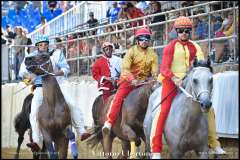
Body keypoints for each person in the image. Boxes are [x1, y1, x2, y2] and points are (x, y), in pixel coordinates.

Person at [150, 16, 226, 159]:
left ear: (190, 31)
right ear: (176, 32)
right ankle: (156, 149)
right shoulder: (170, 47)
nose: (184, 33)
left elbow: (201, 64)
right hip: (171, 82)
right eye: (180, 31)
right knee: (162, 111)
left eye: (186, 31)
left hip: (191, 82)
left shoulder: (195, 46)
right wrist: (174, 78)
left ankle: (214, 144)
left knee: (209, 109)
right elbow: (164, 67)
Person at [18, 34, 91, 152]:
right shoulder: (31, 57)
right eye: (41, 45)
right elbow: (22, 73)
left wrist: (58, 72)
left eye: (45, 45)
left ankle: (81, 131)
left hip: (58, 86)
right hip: (40, 87)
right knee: (34, 112)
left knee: (72, 104)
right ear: (37, 46)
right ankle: (37, 141)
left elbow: (66, 68)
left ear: (48, 45)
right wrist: (28, 76)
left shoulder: (57, 53)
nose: (43, 47)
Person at [102, 27, 158, 134]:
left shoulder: (153, 54)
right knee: (118, 98)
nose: (145, 40)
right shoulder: (131, 52)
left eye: (147, 38)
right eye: (142, 38)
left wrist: (154, 78)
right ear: (137, 40)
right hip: (128, 81)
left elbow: (155, 70)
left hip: (145, 82)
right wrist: (132, 79)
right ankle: (109, 122)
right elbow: (125, 69)